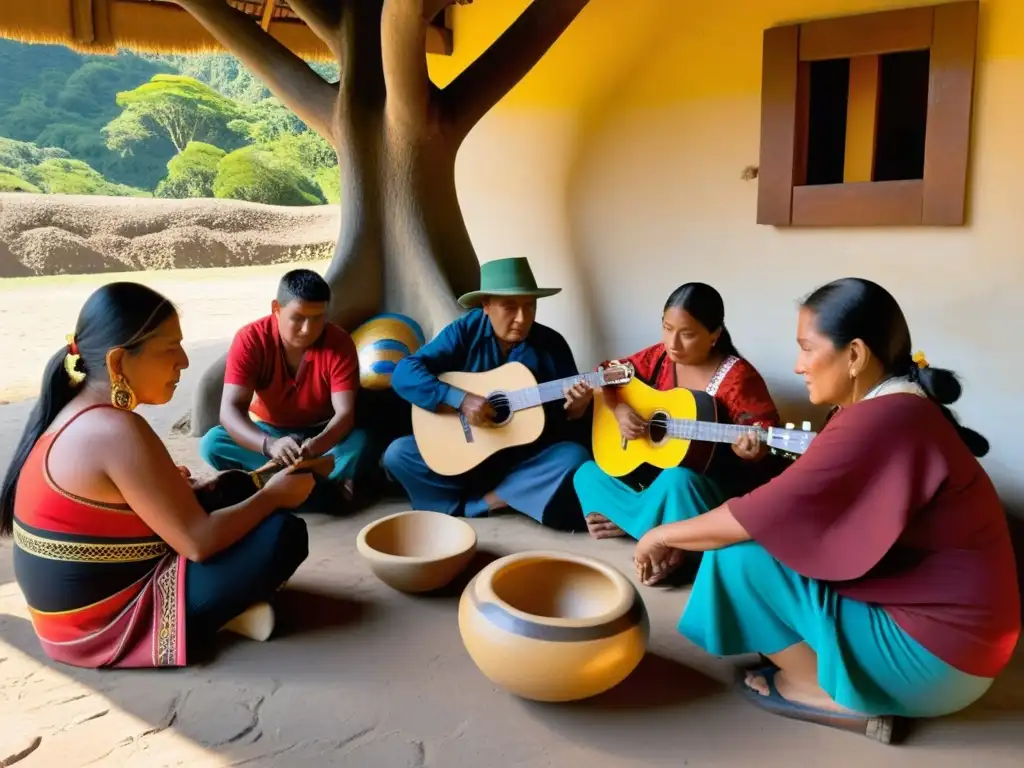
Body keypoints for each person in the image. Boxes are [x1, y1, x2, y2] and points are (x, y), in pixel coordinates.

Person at [631, 277, 1020, 740]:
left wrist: (660, 535)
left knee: (735, 554)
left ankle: (823, 689)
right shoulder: (898, 407)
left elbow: (760, 513)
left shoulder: (883, 419)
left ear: (855, 355)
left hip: (935, 663)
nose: (798, 366)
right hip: (965, 650)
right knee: (766, 543)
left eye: (807, 349)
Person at [0, 283, 315, 669]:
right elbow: (198, 543)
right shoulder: (117, 431)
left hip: (64, 619)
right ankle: (217, 618)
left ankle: (233, 609)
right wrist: (275, 496)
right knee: (283, 534)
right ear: (118, 363)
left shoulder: (75, 411)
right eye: (170, 349)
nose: (183, 361)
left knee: (232, 488)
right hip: (101, 626)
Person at [572, 283, 782, 568]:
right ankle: (659, 533)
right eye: (667, 328)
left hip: (700, 492)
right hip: (651, 480)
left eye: (687, 334)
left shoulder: (737, 378)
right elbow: (606, 373)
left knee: (677, 479)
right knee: (585, 473)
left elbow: (764, 443)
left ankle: (636, 524)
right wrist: (619, 409)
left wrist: (751, 452)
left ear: (715, 335)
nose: (673, 343)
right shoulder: (658, 357)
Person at [382, 257, 591, 531]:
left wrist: (577, 408)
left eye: (530, 307)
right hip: (465, 450)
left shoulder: (552, 344)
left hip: (521, 457)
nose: (522, 318)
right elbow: (404, 373)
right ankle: (470, 503)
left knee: (574, 457)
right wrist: (460, 400)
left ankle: (485, 503)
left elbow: (566, 416)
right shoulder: (463, 331)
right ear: (486, 306)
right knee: (398, 454)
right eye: (509, 307)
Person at [199, 269, 373, 512]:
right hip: (270, 432)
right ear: (276, 309)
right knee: (213, 443)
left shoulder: (339, 343)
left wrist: (315, 446)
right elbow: (230, 411)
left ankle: (276, 486)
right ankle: (322, 491)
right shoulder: (250, 339)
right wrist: (269, 445)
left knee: (358, 442)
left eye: (317, 318)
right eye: (298, 317)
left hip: (321, 435)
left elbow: (344, 415)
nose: (307, 329)